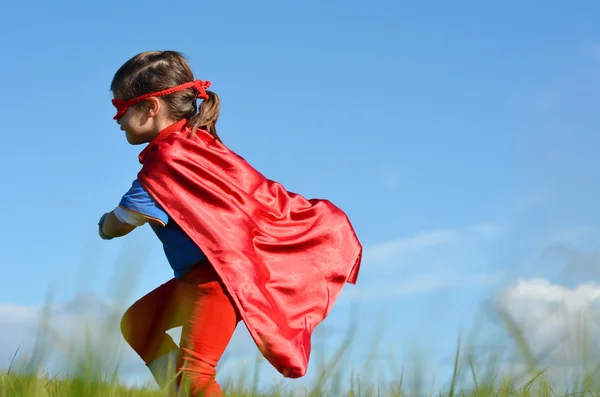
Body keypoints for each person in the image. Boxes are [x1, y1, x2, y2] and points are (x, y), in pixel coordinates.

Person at [98, 50, 362, 397]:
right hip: (200, 279)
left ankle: (185, 390)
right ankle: (177, 392)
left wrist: (105, 223)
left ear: (151, 107)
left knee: (196, 372)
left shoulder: (165, 166)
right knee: (139, 324)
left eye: (121, 107)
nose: (116, 118)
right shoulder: (200, 147)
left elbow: (119, 224)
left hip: (217, 281)